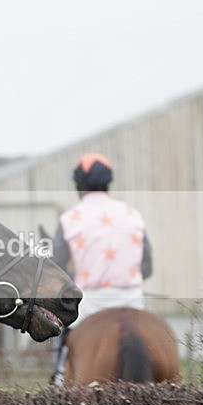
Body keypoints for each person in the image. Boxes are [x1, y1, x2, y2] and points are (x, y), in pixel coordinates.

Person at [49, 153, 153, 386]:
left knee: (63, 345)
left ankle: (57, 378)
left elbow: (56, 269)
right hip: (132, 300)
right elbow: (146, 267)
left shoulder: (70, 219)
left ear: (78, 185)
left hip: (89, 305)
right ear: (108, 182)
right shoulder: (132, 214)